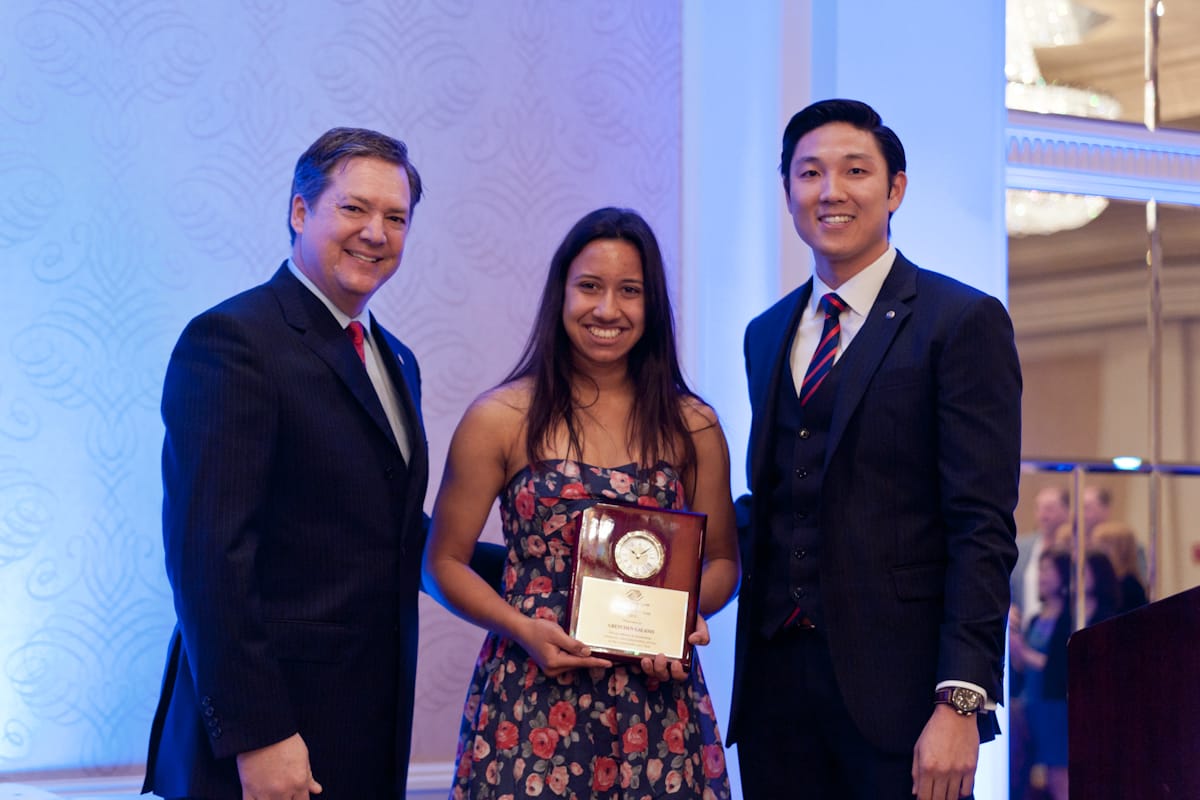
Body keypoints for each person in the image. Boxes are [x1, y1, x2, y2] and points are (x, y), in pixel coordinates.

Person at [143, 127, 502, 799]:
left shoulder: (396, 361)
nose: (377, 232)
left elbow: (395, 537)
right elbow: (208, 558)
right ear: (300, 212)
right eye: (355, 209)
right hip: (268, 747)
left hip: (365, 730)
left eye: (396, 218)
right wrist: (259, 736)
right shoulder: (234, 342)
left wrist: (549, 578)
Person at [730, 99, 1021, 799]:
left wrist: (961, 701)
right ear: (789, 192)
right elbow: (777, 500)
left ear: (894, 189)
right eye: (809, 174)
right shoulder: (765, 333)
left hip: (904, 701)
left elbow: (982, 526)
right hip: (775, 695)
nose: (830, 192)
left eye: (855, 171)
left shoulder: (961, 322)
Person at [422, 207, 740, 799]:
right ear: (561, 294)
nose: (606, 310)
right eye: (589, 287)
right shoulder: (500, 418)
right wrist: (520, 628)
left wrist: (690, 619)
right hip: (531, 694)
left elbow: (722, 562)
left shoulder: (691, 424)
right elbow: (441, 564)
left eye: (630, 291)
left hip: (659, 703)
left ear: (653, 307)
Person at [1013, 487, 1071, 620]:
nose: (1043, 515)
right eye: (1038, 508)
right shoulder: (1021, 547)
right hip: (1026, 629)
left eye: (1049, 509)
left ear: (1067, 511)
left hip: (1062, 629)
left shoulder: (1074, 549)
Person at [1091, 520, 1148, 613]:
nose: (1097, 551)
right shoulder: (1106, 580)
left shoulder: (1129, 585)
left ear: (1121, 548)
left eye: (1102, 545)